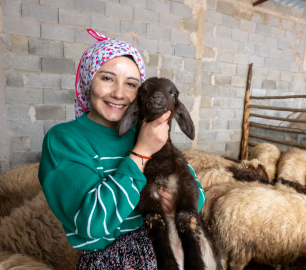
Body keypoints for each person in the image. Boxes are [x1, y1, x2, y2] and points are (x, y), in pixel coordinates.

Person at [38, 29, 205, 270]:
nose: (118, 93)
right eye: (107, 78)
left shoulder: (145, 130)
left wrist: (180, 202)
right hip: (110, 261)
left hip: (167, 249)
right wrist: (141, 153)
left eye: (131, 84)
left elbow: (195, 188)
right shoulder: (64, 140)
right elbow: (92, 223)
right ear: (88, 79)